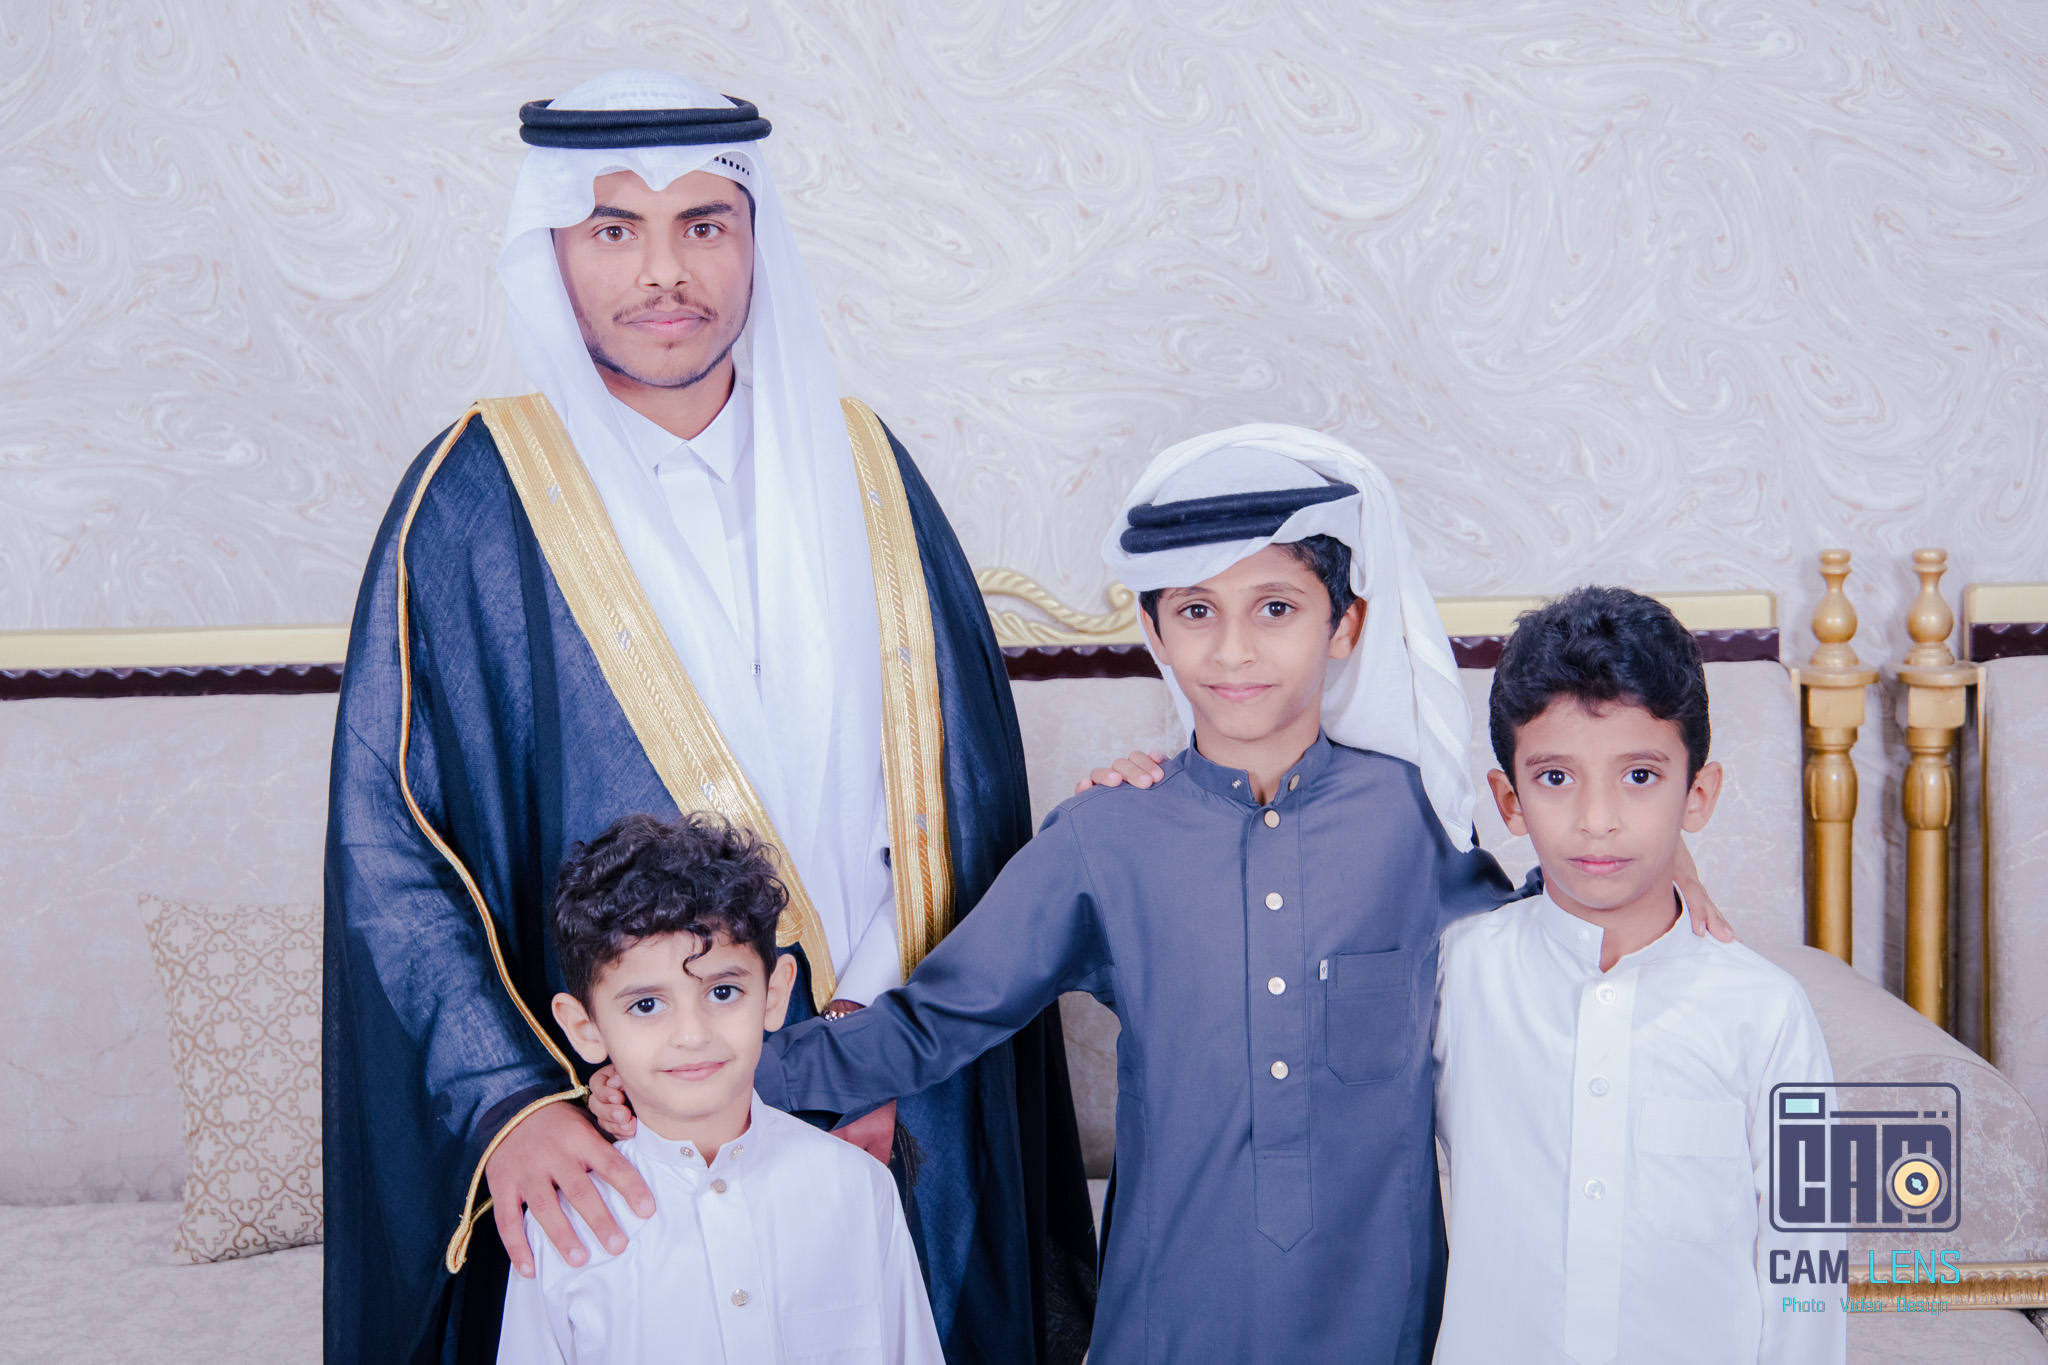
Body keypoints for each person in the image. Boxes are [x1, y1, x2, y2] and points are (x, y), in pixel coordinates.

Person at [324, 68, 1094, 1365]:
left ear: (754, 238)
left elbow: (954, 806)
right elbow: (392, 848)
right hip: (616, 1123)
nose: (662, 272)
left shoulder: (865, 467)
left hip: (894, 1093)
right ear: (552, 249)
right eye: (613, 228)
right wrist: (508, 1101)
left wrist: (871, 1057)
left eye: (703, 224)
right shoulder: (474, 494)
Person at [746, 428, 1728, 1363]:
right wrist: (726, 1069)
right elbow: (937, 1019)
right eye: (1195, 612)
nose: (1232, 652)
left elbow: (1539, 956)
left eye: (1275, 608)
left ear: (1345, 624)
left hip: (1384, 1324)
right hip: (1168, 1321)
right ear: (1151, 630)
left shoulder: (1411, 819)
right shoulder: (1104, 835)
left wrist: (1654, 864)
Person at [1431, 586, 1844, 1364]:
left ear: (1699, 793)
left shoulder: (1767, 1012)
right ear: (1508, 799)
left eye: (1641, 776)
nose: (1598, 818)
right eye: (1556, 778)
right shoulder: (1459, 978)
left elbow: (1810, 1259)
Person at [496, 812, 943, 1365]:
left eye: (723, 992)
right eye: (646, 1005)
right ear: (585, 1028)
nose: (692, 1034)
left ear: (774, 994)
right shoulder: (564, 1228)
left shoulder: (859, 1189)